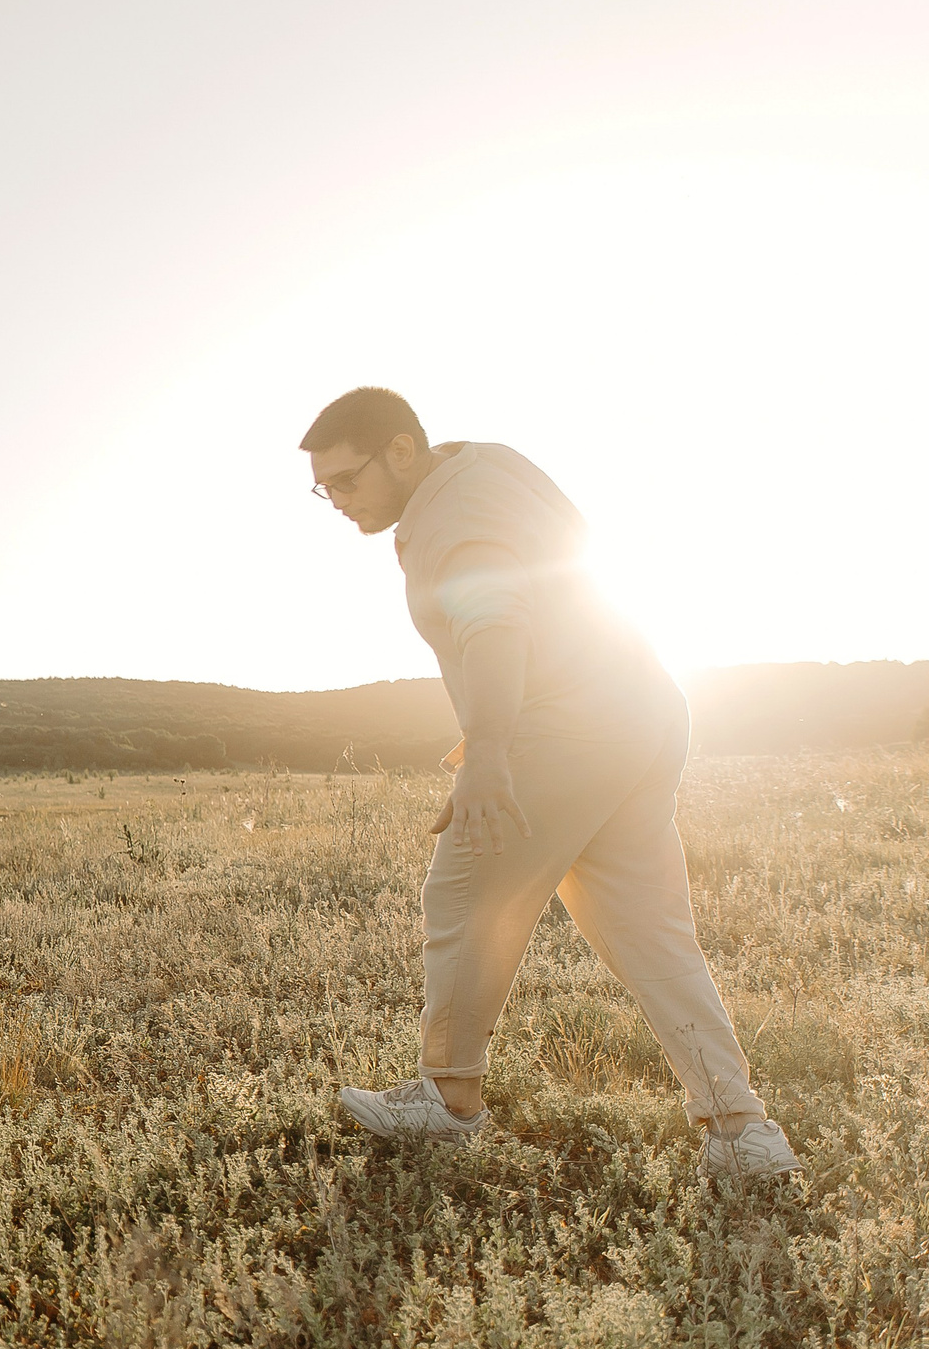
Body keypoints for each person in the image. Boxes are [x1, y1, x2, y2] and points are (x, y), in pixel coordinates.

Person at [301, 387, 799, 1178]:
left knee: (464, 887)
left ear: (401, 450)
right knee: (648, 929)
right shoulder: (490, 465)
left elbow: (496, 621)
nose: (335, 501)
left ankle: (448, 1096)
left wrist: (491, 752)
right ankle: (742, 1129)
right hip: (644, 709)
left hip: (563, 722)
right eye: (322, 487)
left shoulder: (451, 517)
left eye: (346, 480)